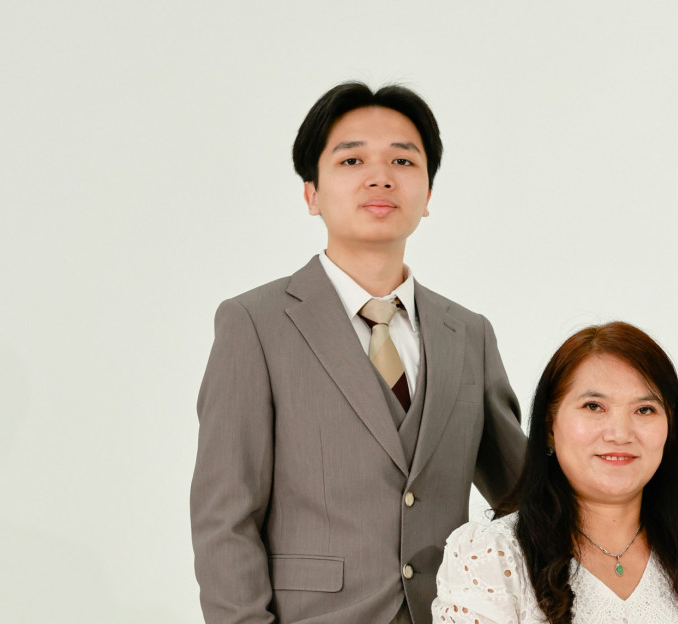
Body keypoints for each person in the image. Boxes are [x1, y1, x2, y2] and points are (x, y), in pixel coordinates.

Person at [190, 81, 527, 624]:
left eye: (402, 160)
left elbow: (526, 496)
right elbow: (225, 519)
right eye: (351, 160)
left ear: (428, 193)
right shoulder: (253, 324)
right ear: (311, 193)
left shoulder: (469, 333)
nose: (380, 176)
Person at [432, 322, 678, 624]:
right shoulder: (492, 557)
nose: (619, 433)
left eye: (644, 410)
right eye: (593, 406)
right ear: (549, 426)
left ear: (670, 429)